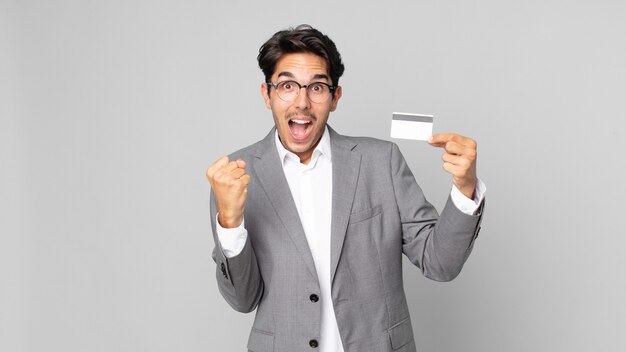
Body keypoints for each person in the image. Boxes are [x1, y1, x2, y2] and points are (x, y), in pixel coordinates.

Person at [206, 24, 486, 352]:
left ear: (335, 97)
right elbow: (243, 299)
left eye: (317, 87)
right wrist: (230, 223)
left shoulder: (381, 161)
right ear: (267, 94)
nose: (302, 102)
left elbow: (441, 262)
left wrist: (465, 188)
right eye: (286, 86)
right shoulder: (233, 176)